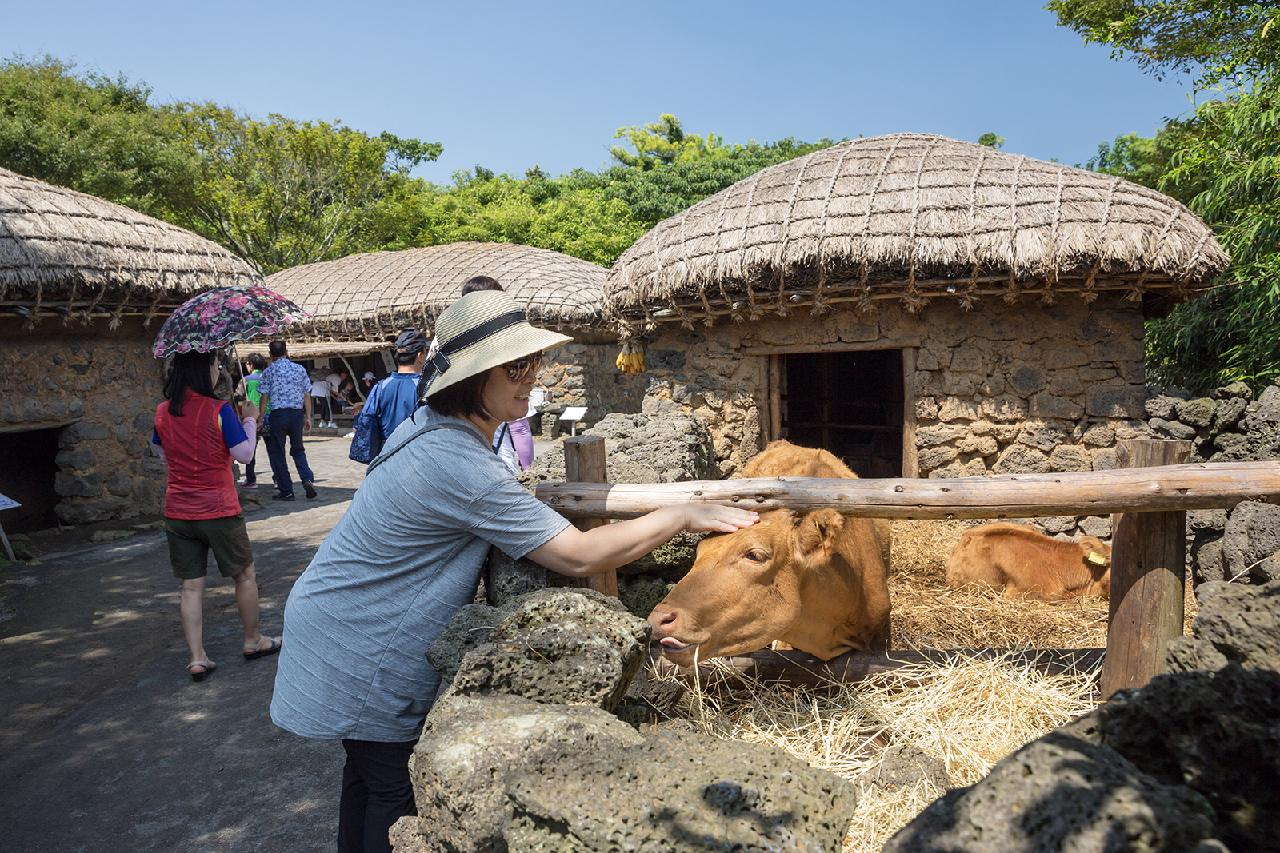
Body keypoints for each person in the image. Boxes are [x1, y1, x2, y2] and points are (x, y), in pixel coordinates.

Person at [269, 289, 757, 853]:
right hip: (366, 643)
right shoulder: (455, 461)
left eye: (534, 362)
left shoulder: (430, 427)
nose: (531, 377)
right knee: (391, 791)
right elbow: (576, 554)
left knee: (365, 777)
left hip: (338, 620)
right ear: (472, 378)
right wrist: (679, 513)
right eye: (516, 366)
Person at [152, 351, 282, 681]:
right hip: (219, 509)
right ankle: (253, 639)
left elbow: (160, 452)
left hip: (179, 511)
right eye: (213, 365)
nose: (217, 370)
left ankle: (197, 657)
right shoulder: (219, 410)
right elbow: (244, 454)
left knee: (191, 587)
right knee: (244, 574)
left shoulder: (163, 412)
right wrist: (250, 420)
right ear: (202, 371)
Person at [259, 341, 317, 501]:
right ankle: (306, 478)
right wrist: (308, 416)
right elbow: (307, 394)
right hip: (296, 414)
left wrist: (260, 418)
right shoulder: (299, 369)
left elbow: (264, 397)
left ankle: (286, 490)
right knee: (298, 449)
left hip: (278, 415)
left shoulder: (268, 372)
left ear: (270, 354)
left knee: (278, 452)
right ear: (286, 351)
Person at [362, 329, 428, 446]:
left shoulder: (380, 387)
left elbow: (366, 422)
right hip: (417, 454)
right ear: (420, 356)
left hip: (386, 454)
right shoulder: (426, 387)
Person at [235, 353, 270, 488]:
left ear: (250, 364)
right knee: (274, 450)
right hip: (268, 415)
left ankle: (251, 479)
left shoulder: (246, 380)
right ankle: (278, 479)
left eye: (247, 364)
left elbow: (237, 397)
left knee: (251, 450)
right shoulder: (269, 378)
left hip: (252, 417)